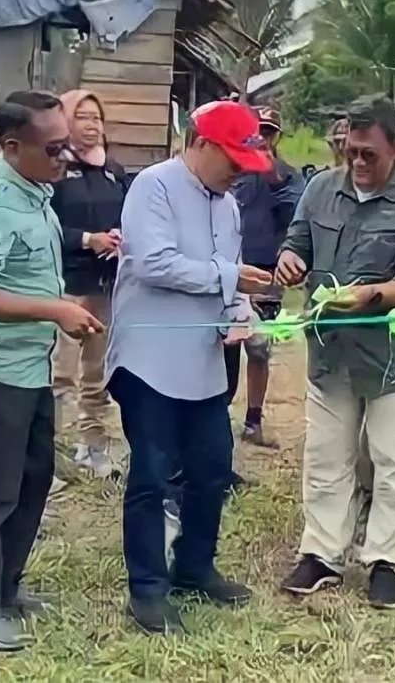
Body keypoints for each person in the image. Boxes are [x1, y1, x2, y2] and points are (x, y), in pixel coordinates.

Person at [105, 100, 274, 635]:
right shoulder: (152, 186)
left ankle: (195, 568)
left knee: (211, 469)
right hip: (150, 360)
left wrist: (242, 313)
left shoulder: (227, 205)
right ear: (200, 144)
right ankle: (148, 590)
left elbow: (229, 279)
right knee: (153, 476)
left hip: (203, 361)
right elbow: (152, 263)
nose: (237, 175)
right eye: (232, 161)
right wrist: (230, 280)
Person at [0, 90, 103, 651]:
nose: (67, 159)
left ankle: (7, 588)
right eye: (55, 149)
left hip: (29, 369)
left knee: (34, 480)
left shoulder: (35, 192)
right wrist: (55, 309)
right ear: (12, 146)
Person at [276, 95, 395, 609]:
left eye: (369, 153)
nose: (358, 162)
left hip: (393, 357)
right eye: (351, 151)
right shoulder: (320, 189)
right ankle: (323, 554)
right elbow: (297, 241)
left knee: (393, 460)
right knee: (327, 456)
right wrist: (288, 261)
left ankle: (387, 562)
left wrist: (370, 295)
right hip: (330, 350)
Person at [50, 89, 129, 478]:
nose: (91, 124)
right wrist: (87, 239)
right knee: (60, 373)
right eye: (81, 116)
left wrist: (120, 237)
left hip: (107, 283)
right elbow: (45, 226)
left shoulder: (114, 170)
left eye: (96, 117)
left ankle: (93, 446)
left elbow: (131, 213)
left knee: (97, 372)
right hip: (66, 284)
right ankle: (52, 451)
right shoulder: (55, 169)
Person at [226, 106, 303, 447]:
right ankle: (218, 416)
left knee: (259, 350)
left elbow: (294, 215)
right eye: (259, 131)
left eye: (269, 132)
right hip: (229, 270)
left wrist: (270, 173)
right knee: (225, 348)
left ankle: (253, 421)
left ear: (277, 137)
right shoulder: (231, 169)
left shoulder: (288, 175)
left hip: (266, 274)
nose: (263, 138)